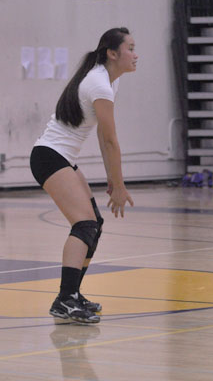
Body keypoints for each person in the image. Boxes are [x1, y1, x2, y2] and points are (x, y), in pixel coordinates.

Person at [30, 27, 137, 324]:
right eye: (130, 47)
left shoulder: (109, 82)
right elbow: (110, 140)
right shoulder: (99, 83)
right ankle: (64, 299)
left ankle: (73, 294)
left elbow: (105, 140)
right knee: (84, 223)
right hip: (49, 156)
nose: (135, 54)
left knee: (94, 223)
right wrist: (119, 185)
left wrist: (115, 181)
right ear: (112, 53)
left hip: (61, 157)